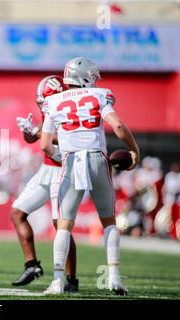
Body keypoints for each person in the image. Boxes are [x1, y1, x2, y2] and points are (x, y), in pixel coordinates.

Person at [40, 57, 140, 295]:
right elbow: (117, 126)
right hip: (97, 159)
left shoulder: (53, 102)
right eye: (93, 76)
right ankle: (114, 277)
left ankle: (57, 281)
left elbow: (45, 145)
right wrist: (135, 149)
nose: (95, 80)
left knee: (64, 224)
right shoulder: (99, 95)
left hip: (72, 160)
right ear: (84, 77)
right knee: (108, 221)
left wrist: (62, 157)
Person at [10, 75, 78, 291]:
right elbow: (37, 138)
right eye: (41, 102)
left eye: (46, 101)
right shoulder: (49, 107)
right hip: (47, 168)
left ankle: (71, 279)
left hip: (64, 171)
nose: (44, 106)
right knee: (17, 213)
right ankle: (32, 265)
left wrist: (37, 132)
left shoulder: (71, 109)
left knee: (62, 227)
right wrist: (28, 132)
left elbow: (67, 137)